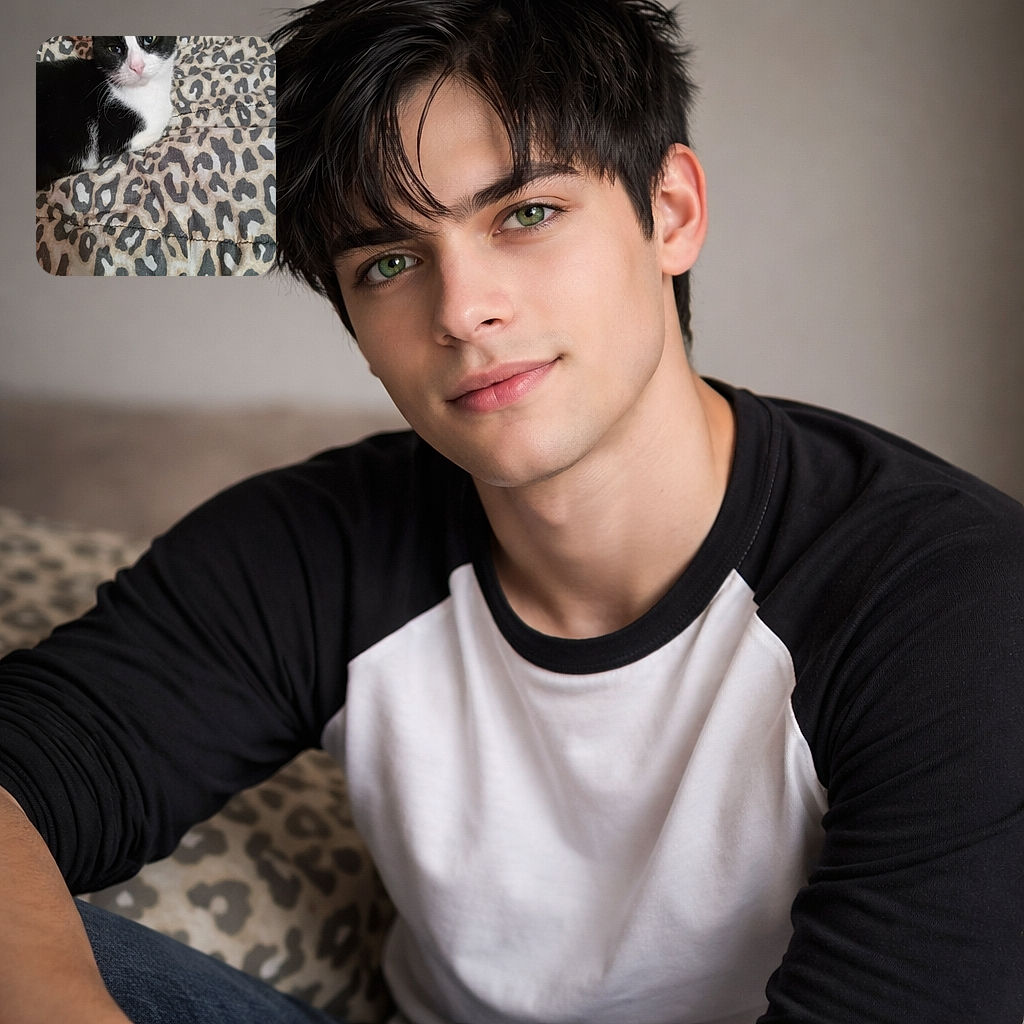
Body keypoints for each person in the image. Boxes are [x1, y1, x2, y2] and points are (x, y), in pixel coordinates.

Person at [1, 1, 1022, 1022]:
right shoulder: (315, 544)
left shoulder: (954, 604)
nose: (460, 309)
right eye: (387, 262)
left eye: (525, 214)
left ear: (668, 212)